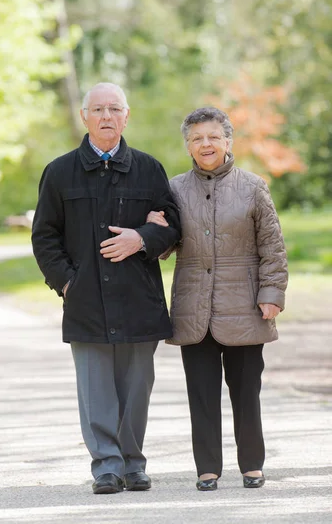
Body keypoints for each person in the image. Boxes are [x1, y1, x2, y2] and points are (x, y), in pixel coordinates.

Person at [31, 82, 181, 494]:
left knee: (135, 389)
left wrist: (142, 237)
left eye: (114, 109)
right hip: (85, 300)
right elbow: (44, 236)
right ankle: (106, 467)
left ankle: (134, 464)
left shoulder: (149, 169)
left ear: (126, 116)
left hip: (138, 298)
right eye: (98, 109)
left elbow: (171, 226)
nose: (106, 117)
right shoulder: (60, 172)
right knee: (96, 389)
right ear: (85, 117)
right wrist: (65, 282)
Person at [147, 106, 288, 491]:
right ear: (188, 146)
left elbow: (272, 247)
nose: (205, 144)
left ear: (227, 141)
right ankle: (207, 468)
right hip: (194, 308)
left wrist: (272, 294)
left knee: (247, 392)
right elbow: (164, 247)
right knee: (202, 394)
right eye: (196, 138)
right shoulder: (174, 189)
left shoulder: (253, 186)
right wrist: (155, 232)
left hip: (245, 306)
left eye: (212, 137)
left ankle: (252, 465)